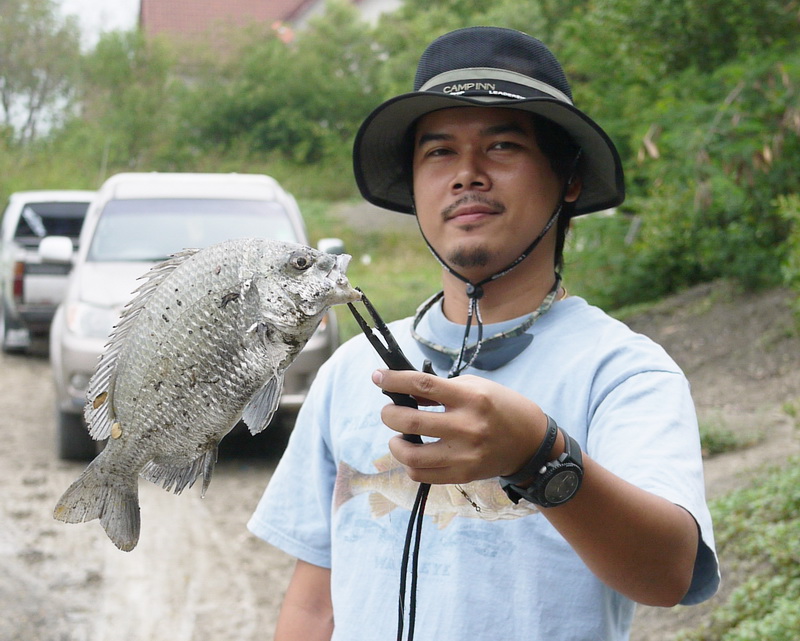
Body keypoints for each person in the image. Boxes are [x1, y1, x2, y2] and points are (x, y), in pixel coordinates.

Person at [248, 26, 719, 641]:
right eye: (438, 152)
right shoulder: (350, 369)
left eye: (502, 146)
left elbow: (667, 575)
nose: (467, 173)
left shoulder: (623, 372)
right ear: (414, 186)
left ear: (569, 180)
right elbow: (315, 606)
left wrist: (539, 457)